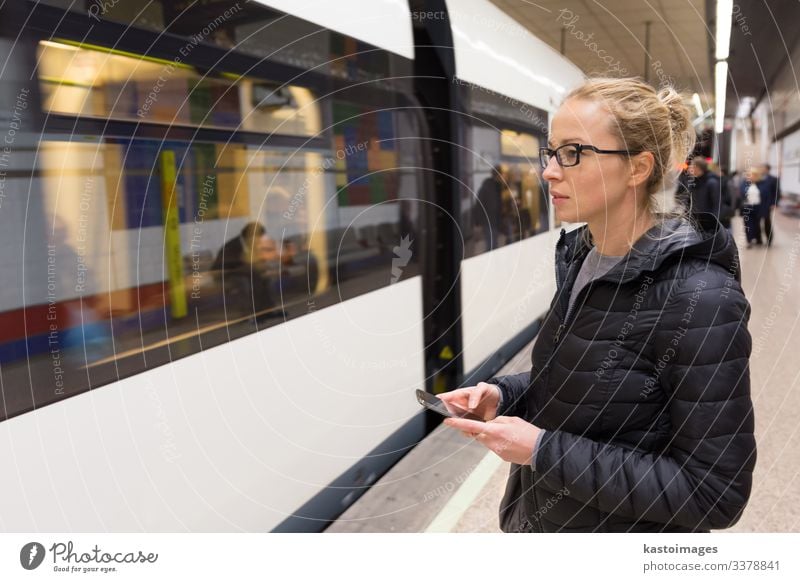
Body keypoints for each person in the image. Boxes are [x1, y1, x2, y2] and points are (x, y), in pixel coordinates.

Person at [440, 77, 756, 533]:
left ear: (637, 168)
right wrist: (504, 395)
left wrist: (541, 451)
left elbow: (714, 493)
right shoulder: (583, 259)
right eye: (551, 152)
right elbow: (591, 377)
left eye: (574, 153)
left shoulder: (700, 299)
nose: (549, 171)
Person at [212, 221, 281, 319]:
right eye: (258, 237)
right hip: (224, 274)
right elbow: (229, 265)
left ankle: (267, 310)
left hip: (242, 271)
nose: (259, 241)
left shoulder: (248, 244)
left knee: (265, 278)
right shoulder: (232, 246)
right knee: (244, 282)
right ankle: (247, 314)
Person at [474, 165, 506, 251]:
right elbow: (479, 205)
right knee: (492, 245)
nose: (503, 176)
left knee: (494, 244)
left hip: (495, 221)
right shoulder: (487, 187)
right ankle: (491, 262)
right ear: (498, 175)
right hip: (489, 221)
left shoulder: (498, 187)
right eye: (501, 174)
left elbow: (499, 205)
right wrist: (478, 222)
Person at [757, 163, 780, 247]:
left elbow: (777, 192)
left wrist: (774, 203)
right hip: (758, 204)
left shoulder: (773, 179)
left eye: (762, 168)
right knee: (757, 222)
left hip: (767, 204)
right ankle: (758, 239)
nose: (761, 169)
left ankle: (769, 240)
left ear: (767, 169)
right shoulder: (757, 178)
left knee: (767, 222)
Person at [740, 167, 763, 248]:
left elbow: (765, 195)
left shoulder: (761, 184)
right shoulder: (744, 183)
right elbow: (741, 193)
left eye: (752, 175)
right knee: (748, 224)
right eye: (749, 175)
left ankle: (757, 239)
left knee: (756, 224)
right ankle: (749, 241)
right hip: (747, 206)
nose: (750, 176)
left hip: (758, 207)